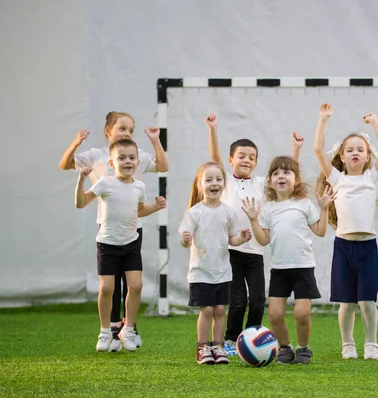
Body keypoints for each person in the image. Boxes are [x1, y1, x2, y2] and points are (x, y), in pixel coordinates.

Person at [60, 111, 167, 351]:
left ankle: (127, 328)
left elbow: (163, 165)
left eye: (130, 130)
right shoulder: (97, 157)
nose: (127, 133)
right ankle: (109, 329)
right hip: (108, 228)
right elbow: (65, 164)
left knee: (132, 284)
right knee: (110, 285)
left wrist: (154, 140)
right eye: (122, 129)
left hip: (132, 228)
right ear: (109, 131)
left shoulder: (136, 157)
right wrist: (77, 143)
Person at [205, 113, 303, 355]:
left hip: (254, 253)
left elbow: (287, 175)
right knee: (237, 299)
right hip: (231, 251)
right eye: (241, 156)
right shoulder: (225, 180)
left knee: (258, 299)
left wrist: (295, 148)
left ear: (256, 163)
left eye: (252, 157)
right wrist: (213, 129)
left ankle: (250, 337)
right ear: (231, 160)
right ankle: (231, 339)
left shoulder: (260, 184)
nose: (246, 160)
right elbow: (215, 158)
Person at [242, 155, 333, 365]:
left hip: (303, 268)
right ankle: (285, 347)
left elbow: (320, 231)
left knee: (302, 313)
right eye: (276, 173)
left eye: (286, 172)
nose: (281, 176)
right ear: (270, 182)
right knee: (274, 314)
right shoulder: (267, 208)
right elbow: (263, 240)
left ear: (296, 179)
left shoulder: (305, 204)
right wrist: (254, 220)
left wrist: (324, 208)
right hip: (280, 270)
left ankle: (303, 349)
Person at [314, 104, 378, 360]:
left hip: (368, 247)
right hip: (343, 247)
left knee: (367, 302)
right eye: (350, 150)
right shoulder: (336, 178)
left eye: (361, 149)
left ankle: (370, 343)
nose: (355, 152)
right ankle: (347, 344)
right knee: (347, 303)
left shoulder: (372, 178)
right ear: (342, 157)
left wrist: (375, 122)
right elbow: (317, 150)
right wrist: (323, 120)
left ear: (368, 156)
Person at [75, 139, 158, 352]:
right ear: (112, 163)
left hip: (130, 244)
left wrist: (155, 207)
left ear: (138, 163)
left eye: (131, 158)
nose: (127, 161)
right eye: (122, 158)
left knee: (137, 286)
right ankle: (105, 331)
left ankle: (128, 329)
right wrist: (80, 181)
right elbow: (81, 203)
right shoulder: (104, 183)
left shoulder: (139, 186)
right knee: (106, 289)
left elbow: (138, 210)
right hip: (107, 245)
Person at [179, 162, 252, 365]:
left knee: (220, 310)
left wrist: (242, 238)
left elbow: (232, 239)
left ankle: (218, 348)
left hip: (222, 272)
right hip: (201, 271)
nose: (214, 183)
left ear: (224, 184)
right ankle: (203, 348)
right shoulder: (195, 212)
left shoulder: (228, 212)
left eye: (218, 179)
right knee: (207, 310)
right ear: (200, 185)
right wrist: (185, 239)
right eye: (209, 179)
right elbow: (185, 241)